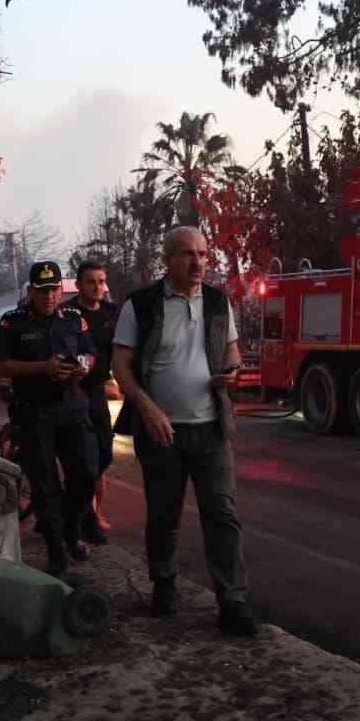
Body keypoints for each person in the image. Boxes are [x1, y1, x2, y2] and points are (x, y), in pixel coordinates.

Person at [112, 226, 257, 637]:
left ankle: (232, 600)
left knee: (222, 514)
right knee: (163, 514)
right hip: (161, 431)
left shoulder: (217, 302)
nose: (198, 263)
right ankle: (163, 583)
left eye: (204, 255)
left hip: (211, 428)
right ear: (168, 260)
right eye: (188, 255)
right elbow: (120, 364)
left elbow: (230, 349)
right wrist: (148, 408)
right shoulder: (140, 306)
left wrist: (229, 372)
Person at [0, 261, 100, 576]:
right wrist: (42, 368)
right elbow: (0, 365)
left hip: (72, 407)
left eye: (54, 289)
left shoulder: (73, 319)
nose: (49, 296)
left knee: (87, 472)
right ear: (31, 291)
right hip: (33, 412)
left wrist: (83, 365)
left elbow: (90, 353)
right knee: (44, 485)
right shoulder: (12, 322)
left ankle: (71, 528)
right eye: (42, 290)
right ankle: (56, 549)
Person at [62, 261, 117, 546]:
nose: (97, 287)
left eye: (101, 281)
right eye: (91, 282)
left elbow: (120, 351)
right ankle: (85, 518)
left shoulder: (111, 313)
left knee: (104, 456)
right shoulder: (68, 314)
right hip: (72, 392)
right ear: (80, 285)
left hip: (97, 392)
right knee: (84, 462)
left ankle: (82, 513)